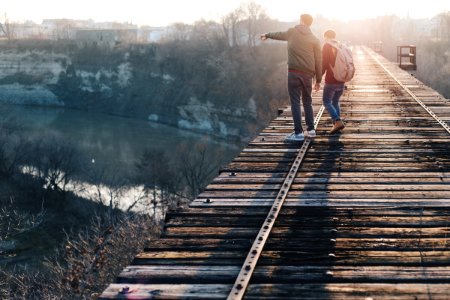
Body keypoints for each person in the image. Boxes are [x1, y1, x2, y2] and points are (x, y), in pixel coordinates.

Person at [261, 14, 322, 142]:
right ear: (310, 23)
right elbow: (318, 61)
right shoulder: (315, 39)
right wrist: (318, 80)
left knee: (295, 102)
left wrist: (267, 34)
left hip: (293, 73)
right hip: (308, 74)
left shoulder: (292, 32)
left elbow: (279, 34)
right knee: (307, 101)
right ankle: (311, 130)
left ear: (301, 21)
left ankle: (298, 133)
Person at [322, 29, 345, 134]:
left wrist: (318, 78)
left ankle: (337, 120)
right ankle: (337, 124)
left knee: (326, 101)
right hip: (341, 80)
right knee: (335, 101)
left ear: (326, 36)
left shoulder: (327, 46)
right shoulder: (340, 45)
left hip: (331, 80)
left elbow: (324, 64)